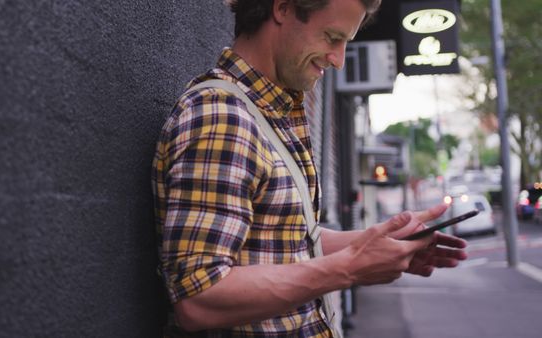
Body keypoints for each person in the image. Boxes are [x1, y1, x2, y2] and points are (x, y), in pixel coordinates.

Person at [151, 0, 468, 336]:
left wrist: (376, 242)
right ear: (283, 8)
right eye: (331, 37)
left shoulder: (268, 113)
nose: (339, 60)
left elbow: (288, 241)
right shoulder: (224, 116)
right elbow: (199, 298)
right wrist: (349, 269)